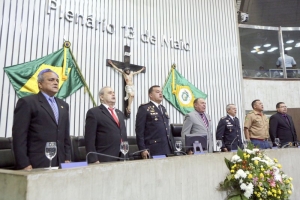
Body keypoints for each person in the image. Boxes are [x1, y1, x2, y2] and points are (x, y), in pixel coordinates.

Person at [12, 69, 71, 170]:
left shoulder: (63, 105)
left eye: (57, 80)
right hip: (36, 161)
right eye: (51, 80)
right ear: (40, 84)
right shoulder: (27, 102)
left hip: (60, 161)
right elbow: (19, 135)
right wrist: (24, 163)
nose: (56, 83)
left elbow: (65, 134)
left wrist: (67, 157)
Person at [85, 86, 127, 163]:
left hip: (122, 156)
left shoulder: (120, 113)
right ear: (101, 97)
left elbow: (122, 134)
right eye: (110, 93)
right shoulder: (94, 112)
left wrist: (126, 155)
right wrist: (93, 159)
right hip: (104, 157)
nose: (113, 94)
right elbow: (89, 139)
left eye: (114, 93)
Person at [135, 85, 174, 158]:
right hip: (153, 148)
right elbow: (139, 131)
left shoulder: (163, 108)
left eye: (161, 92)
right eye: (157, 92)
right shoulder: (144, 108)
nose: (160, 94)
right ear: (150, 95)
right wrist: (142, 149)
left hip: (167, 148)